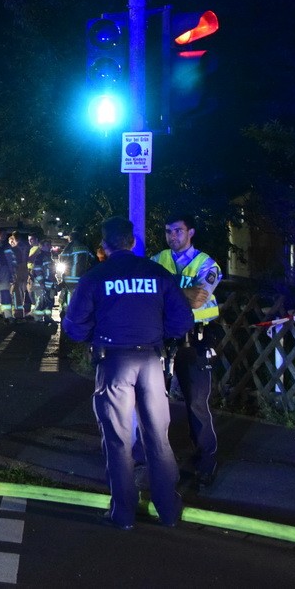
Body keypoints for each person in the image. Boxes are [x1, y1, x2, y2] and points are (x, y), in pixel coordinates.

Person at [63, 216, 194, 530]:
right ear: (133, 242)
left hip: (114, 363)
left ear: (105, 247)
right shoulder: (157, 273)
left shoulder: (95, 277)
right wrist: (155, 334)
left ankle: (123, 514)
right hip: (151, 360)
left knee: (119, 440)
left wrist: (95, 334)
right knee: (157, 438)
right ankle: (168, 511)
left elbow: (74, 326)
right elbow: (182, 321)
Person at [153, 213, 223, 488]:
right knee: (155, 401)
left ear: (190, 232)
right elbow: (152, 294)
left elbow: (199, 299)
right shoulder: (158, 260)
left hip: (195, 341)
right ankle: (160, 459)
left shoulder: (207, 264)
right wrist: (181, 291)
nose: (173, 236)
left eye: (178, 231)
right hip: (166, 338)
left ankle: (206, 459)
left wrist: (163, 289)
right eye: (169, 231)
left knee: (196, 403)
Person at [57, 226, 97, 312]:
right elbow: (94, 260)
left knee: (68, 299)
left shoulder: (69, 247)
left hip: (70, 279)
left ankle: (68, 315)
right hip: (81, 279)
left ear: (71, 238)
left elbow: (62, 259)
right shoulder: (85, 248)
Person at [27, 233, 54, 322]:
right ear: (41, 246)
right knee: (41, 302)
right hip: (41, 284)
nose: (49, 247)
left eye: (50, 245)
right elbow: (37, 270)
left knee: (49, 302)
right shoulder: (40, 257)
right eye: (47, 245)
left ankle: (47, 317)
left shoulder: (49, 257)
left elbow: (51, 272)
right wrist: (41, 283)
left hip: (48, 283)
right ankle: (37, 318)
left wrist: (54, 282)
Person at [9, 231, 31, 321]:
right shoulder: (27, 247)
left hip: (17, 270)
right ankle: (27, 309)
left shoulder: (14, 249)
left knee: (17, 292)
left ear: (14, 238)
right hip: (26, 270)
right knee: (26, 290)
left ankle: (18, 313)